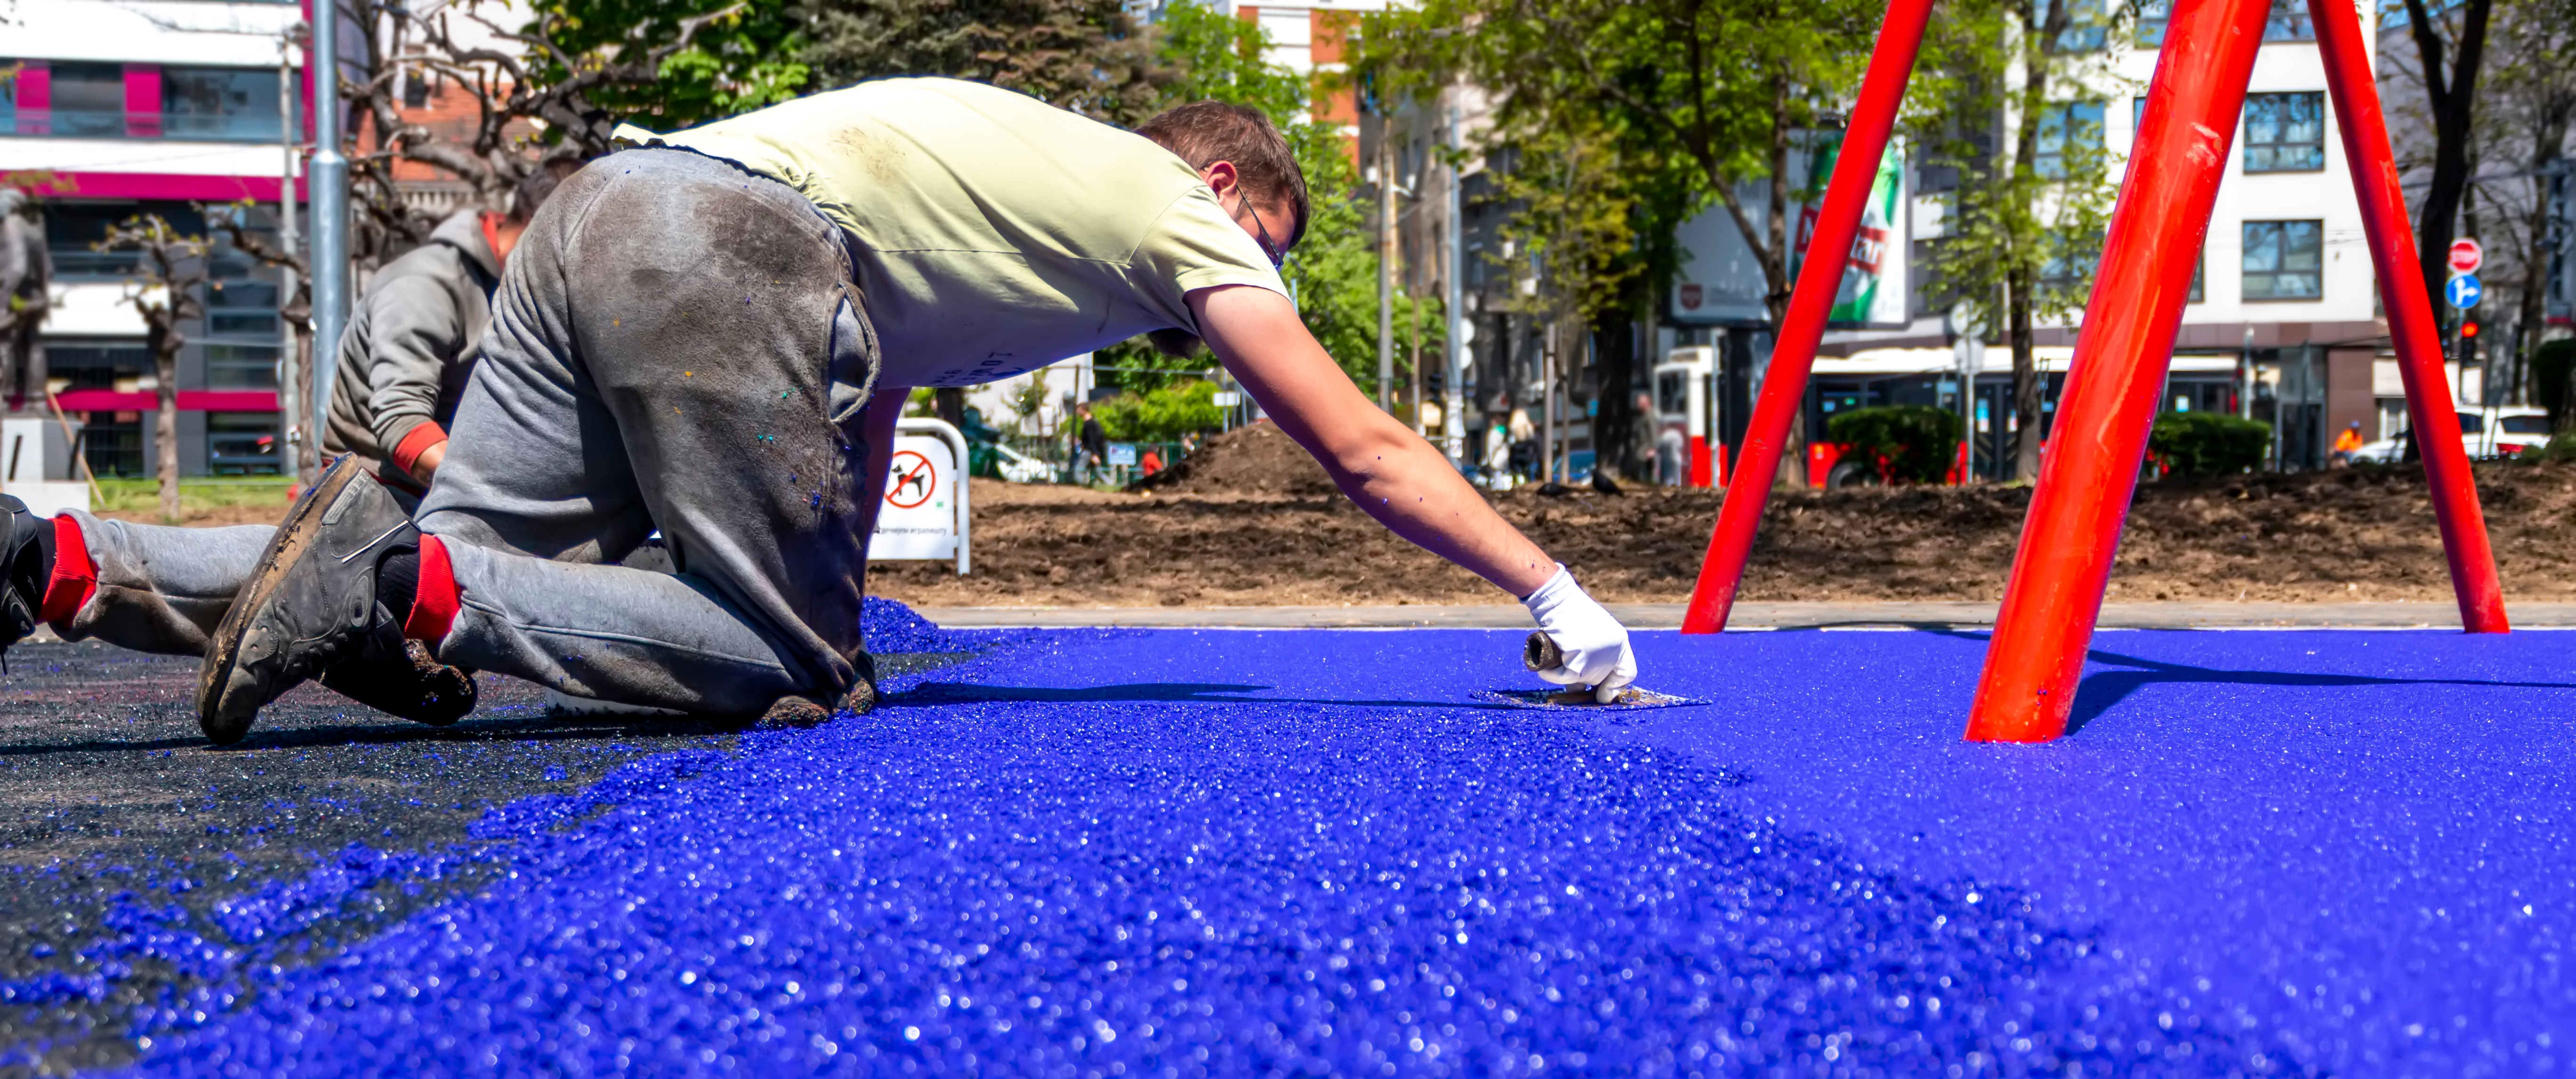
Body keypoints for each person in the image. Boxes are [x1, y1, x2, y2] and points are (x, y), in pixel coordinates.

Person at [14, 82, 1636, 742]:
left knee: (496, 547)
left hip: (611, 211)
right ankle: (423, 590)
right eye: (1258, 254)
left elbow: (870, 401)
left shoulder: (1001, 183)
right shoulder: (1173, 204)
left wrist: (841, 581)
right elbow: (1356, 443)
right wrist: (1553, 594)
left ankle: (65, 563)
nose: (1234, 304)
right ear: (1224, 185)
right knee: (786, 670)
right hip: (731, 255)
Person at [0, 164, 577, 722]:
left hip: (425, 510)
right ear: (530, 227)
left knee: (320, 594)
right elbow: (400, 422)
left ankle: (350, 633)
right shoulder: (428, 285)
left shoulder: (512, 292)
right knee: (314, 578)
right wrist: (487, 501)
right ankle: (37, 562)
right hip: (379, 504)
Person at [1074, 403, 1110, 485]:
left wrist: (1095, 454)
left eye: (1078, 410)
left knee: (1078, 470)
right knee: (1098, 472)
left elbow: (1092, 440)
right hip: (1092, 451)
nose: (1077, 412)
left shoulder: (1089, 424)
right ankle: (1110, 484)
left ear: (1084, 410)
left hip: (1089, 451)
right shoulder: (1093, 423)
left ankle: (1084, 485)